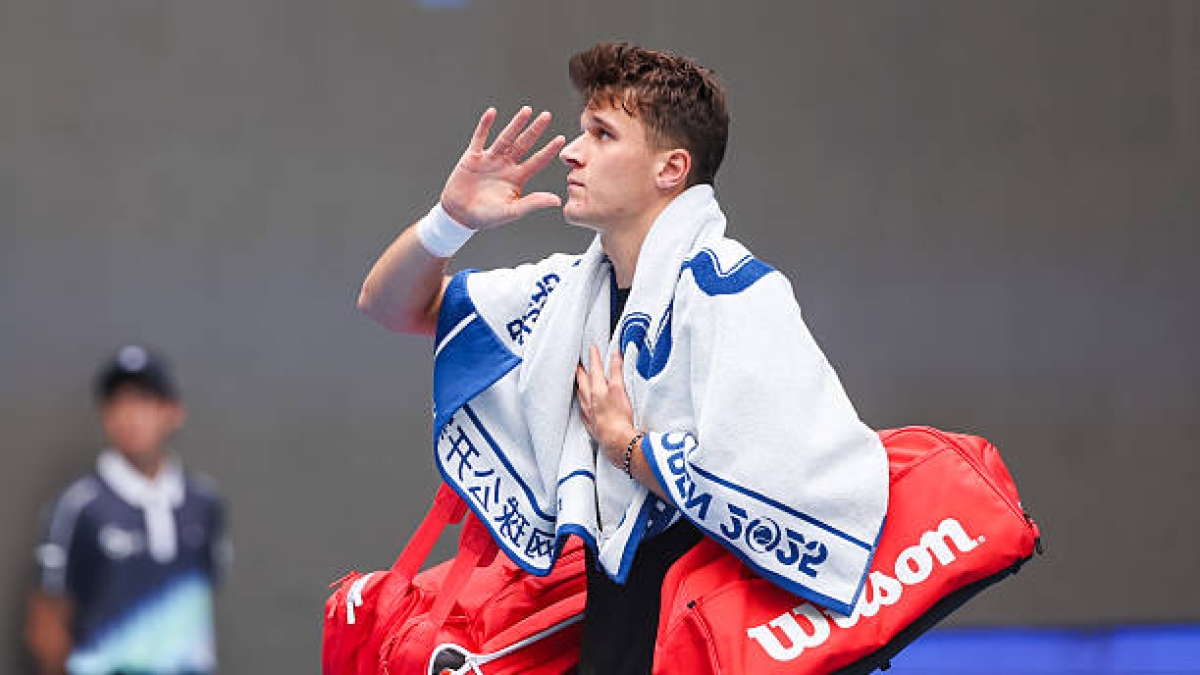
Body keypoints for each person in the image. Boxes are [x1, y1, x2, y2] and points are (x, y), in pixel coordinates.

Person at [358, 42, 888, 673]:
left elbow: (796, 491)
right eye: (583, 130)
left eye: (602, 134)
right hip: (617, 638)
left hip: (717, 647)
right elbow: (389, 307)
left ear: (671, 168)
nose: (573, 152)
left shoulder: (734, 292)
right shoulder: (567, 295)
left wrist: (628, 446)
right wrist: (450, 221)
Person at [25, 345, 229, 675]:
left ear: (173, 411)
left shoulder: (204, 503)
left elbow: (200, 603)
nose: (131, 415)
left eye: (144, 400)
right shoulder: (78, 506)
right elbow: (47, 622)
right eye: (118, 402)